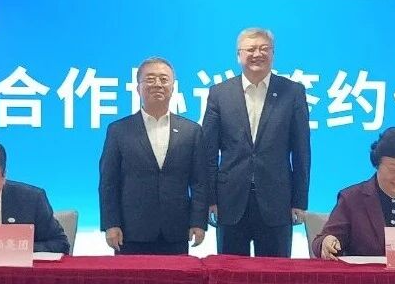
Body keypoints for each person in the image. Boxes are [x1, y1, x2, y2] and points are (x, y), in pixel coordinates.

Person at [201, 27, 311, 257]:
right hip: (230, 201)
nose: (257, 54)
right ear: (238, 55)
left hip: (277, 201)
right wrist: (210, 199)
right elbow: (208, 153)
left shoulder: (292, 92)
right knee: (229, 272)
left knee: (275, 274)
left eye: (264, 49)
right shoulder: (219, 93)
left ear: (273, 54)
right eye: (250, 49)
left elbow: (302, 152)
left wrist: (299, 201)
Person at [98, 56, 207, 254]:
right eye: (150, 79)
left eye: (164, 79)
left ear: (173, 87)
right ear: (138, 88)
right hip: (130, 231)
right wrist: (111, 224)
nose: (157, 84)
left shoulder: (191, 131)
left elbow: (199, 182)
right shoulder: (118, 130)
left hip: (176, 230)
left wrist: (198, 221)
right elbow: (108, 182)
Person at [312, 126, 395, 259]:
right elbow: (323, 240)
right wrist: (326, 242)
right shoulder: (351, 198)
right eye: (393, 169)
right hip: (365, 273)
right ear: (377, 164)